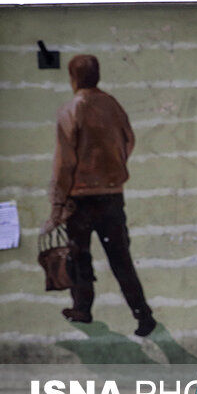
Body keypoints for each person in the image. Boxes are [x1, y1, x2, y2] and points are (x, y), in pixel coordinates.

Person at [43, 54, 157, 336]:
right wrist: (114, 167)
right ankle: (143, 316)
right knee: (121, 259)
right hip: (111, 197)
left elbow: (64, 162)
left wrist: (57, 205)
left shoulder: (71, 109)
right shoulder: (112, 106)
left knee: (79, 256)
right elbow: (128, 140)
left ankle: (82, 308)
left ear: (73, 78)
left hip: (79, 200)